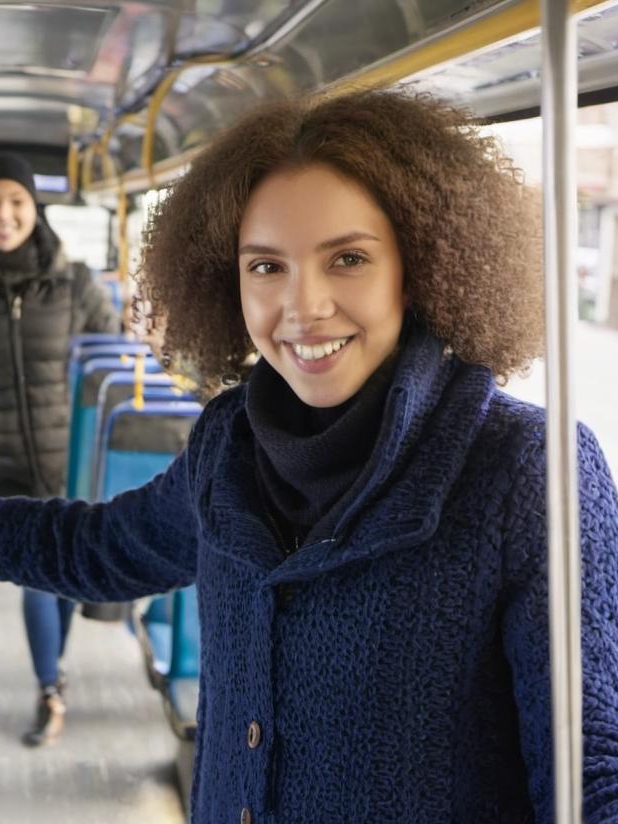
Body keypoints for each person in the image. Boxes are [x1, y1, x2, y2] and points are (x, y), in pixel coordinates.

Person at [0, 90, 617, 821]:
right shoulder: (226, 446)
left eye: (348, 258)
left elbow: (589, 768)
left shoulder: (528, 472)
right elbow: (99, 550)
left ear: (419, 264)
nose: (302, 305)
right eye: (266, 267)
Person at [0, 151, 120, 746]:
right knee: (40, 579)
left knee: (60, 578)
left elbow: (113, 356)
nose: (4, 215)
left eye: (16, 201)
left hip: (64, 460)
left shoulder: (72, 283)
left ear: (34, 208)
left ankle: (55, 677)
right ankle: (51, 687)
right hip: (4, 472)